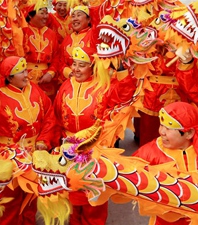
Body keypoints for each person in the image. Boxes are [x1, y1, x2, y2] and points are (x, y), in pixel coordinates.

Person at [0, 56, 56, 225]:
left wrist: (44, 140)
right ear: (9, 77)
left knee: (30, 198)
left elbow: (49, 116)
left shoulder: (34, 89)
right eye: (21, 72)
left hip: (34, 153)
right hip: (9, 157)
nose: (26, 75)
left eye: (26, 70)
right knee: (10, 201)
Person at [53, 46, 136, 225]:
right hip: (70, 150)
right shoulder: (66, 86)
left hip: (95, 149)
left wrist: (122, 71)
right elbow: (56, 117)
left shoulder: (104, 86)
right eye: (74, 64)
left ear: (92, 66)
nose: (75, 69)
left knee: (94, 198)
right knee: (73, 194)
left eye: (81, 65)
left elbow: (124, 95)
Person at [132, 101, 198, 225]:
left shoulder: (197, 151)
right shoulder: (151, 151)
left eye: (168, 128)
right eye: (161, 125)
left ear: (189, 133)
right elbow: (128, 169)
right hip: (164, 218)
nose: (161, 132)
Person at [22, 2, 60, 101]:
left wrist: (50, 73)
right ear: (30, 15)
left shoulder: (51, 34)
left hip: (46, 78)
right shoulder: (22, 31)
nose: (45, 16)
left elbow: (57, 56)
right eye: (42, 13)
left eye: (46, 13)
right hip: (25, 76)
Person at [57, 5, 98, 84]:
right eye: (73, 16)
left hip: (90, 81)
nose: (75, 19)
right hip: (69, 81)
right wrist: (69, 72)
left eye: (79, 15)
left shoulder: (94, 34)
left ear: (88, 19)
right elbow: (60, 61)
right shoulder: (67, 39)